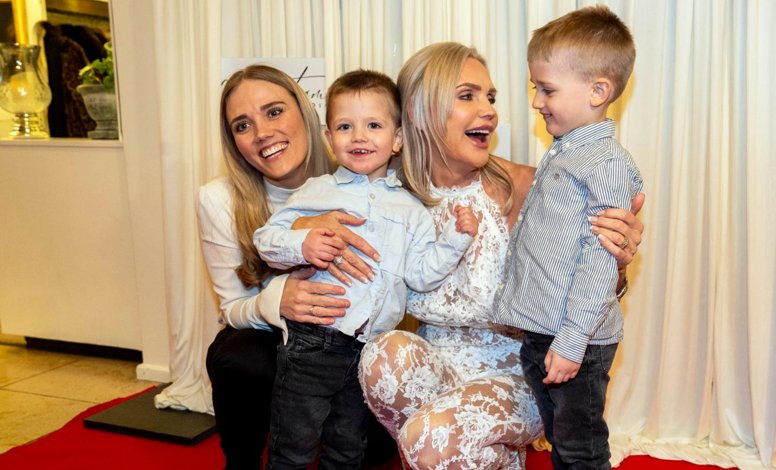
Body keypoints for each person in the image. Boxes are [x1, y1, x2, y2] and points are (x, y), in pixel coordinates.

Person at [357, 42, 646, 470]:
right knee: (382, 355)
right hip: (435, 369)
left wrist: (617, 263)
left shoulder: (532, 185)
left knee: (430, 441)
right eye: (467, 95)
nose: (489, 111)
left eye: (490, 97)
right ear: (419, 111)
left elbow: (592, 276)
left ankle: (447, 447)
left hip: (522, 369)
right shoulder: (389, 198)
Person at [252, 69, 480, 469]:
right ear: (329, 137)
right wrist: (303, 242)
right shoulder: (316, 191)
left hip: (369, 351)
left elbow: (421, 276)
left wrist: (455, 241)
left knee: (348, 447)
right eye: (345, 126)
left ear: (397, 138)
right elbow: (266, 241)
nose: (359, 136)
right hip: (313, 342)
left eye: (373, 125)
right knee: (293, 443)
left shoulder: (411, 210)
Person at [200, 64, 395, 470]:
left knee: (374, 447)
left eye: (274, 112)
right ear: (234, 142)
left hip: (347, 334)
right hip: (269, 337)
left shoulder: (360, 172)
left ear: (305, 112)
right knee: (237, 358)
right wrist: (277, 299)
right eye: (242, 125)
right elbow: (232, 308)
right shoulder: (218, 200)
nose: (262, 133)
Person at [493, 6, 642, 469]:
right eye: (535, 88)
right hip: (546, 333)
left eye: (547, 90)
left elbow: (600, 259)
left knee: (581, 448)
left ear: (598, 91)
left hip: (576, 339)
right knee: (561, 440)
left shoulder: (605, 163)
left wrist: (573, 339)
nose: (537, 102)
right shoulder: (564, 153)